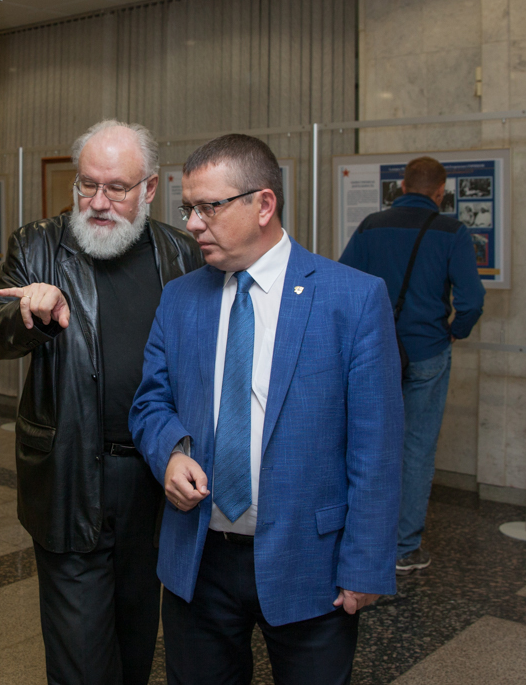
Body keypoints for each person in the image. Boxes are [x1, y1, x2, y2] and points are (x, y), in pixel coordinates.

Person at [129, 134, 403, 685]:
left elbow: (376, 446)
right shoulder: (180, 299)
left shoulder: (352, 299)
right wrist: (171, 453)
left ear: (264, 204)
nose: (193, 224)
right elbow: (151, 401)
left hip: (311, 563)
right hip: (199, 558)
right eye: (188, 209)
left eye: (210, 207)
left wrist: (366, 563)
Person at [0, 119, 203, 685]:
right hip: (70, 473)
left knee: (135, 642)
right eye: (87, 185)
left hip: (153, 479)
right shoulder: (38, 244)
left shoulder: (180, 253)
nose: (98, 202)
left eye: (117, 188)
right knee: (80, 658)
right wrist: (30, 314)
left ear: (149, 189)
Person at [339, 156, 484, 573]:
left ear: (401, 187)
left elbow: (344, 283)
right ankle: (404, 548)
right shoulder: (453, 232)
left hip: (374, 352)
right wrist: (455, 331)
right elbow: (472, 300)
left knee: (364, 441)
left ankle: (360, 538)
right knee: (416, 448)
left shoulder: (371, 225)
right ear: (440, 192)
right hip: (426, 351)